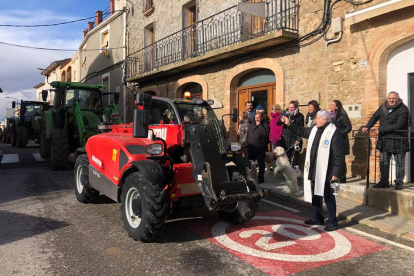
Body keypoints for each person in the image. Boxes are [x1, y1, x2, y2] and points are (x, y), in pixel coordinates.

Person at [281, 110, 344, 231]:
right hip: (315, 168)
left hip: (328, 171)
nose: (316, 120)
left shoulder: (334, 133)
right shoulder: (315, 129)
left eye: (318, 118)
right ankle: (317, 218)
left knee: (329, 196)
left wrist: (336, 173)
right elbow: (302, 131)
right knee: (316, 194)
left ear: (325, 120)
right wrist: (289, 123)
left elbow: (338, 155)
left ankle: (332, 221)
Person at [362, 91, 411, 190]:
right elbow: (375, 116)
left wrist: (380, 129)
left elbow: (398, 125)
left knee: (399, 163)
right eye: (390, 98)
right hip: (385, 140)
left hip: (399, 140)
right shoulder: (383, 107)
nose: (391, 100)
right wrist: (367, 126)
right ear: (387, 99)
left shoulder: (403, 109)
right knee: (384, 162)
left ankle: (399, 182)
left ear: (397, 99)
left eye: (393, 98)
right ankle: (384, 181)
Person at [245, 112, 269, 183]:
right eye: (256, 118)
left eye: (258, 117)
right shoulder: (252, 125)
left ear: (261, 118)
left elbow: (265, 135)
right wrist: (246, 144)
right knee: (250, 164)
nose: (257, 119)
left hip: (259, 148)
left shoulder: (265, 125)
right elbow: (248, 135)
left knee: (261, 164)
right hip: (251, 148)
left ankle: (261, 178)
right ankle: (251, 177)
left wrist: (260, 125)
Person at [281, 100, 304, 166]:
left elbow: (301, 129)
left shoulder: (300, 116)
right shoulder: (284, 114)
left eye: (292, 107)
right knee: (286, 160)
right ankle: (287, 175)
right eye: (289, 107)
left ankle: (295, 174)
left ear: (296, 107)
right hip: (285, 139)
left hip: (295, 139)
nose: (290, 109)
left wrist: (298, 140)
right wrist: (281, 120)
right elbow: (278, 124)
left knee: (294, 159)